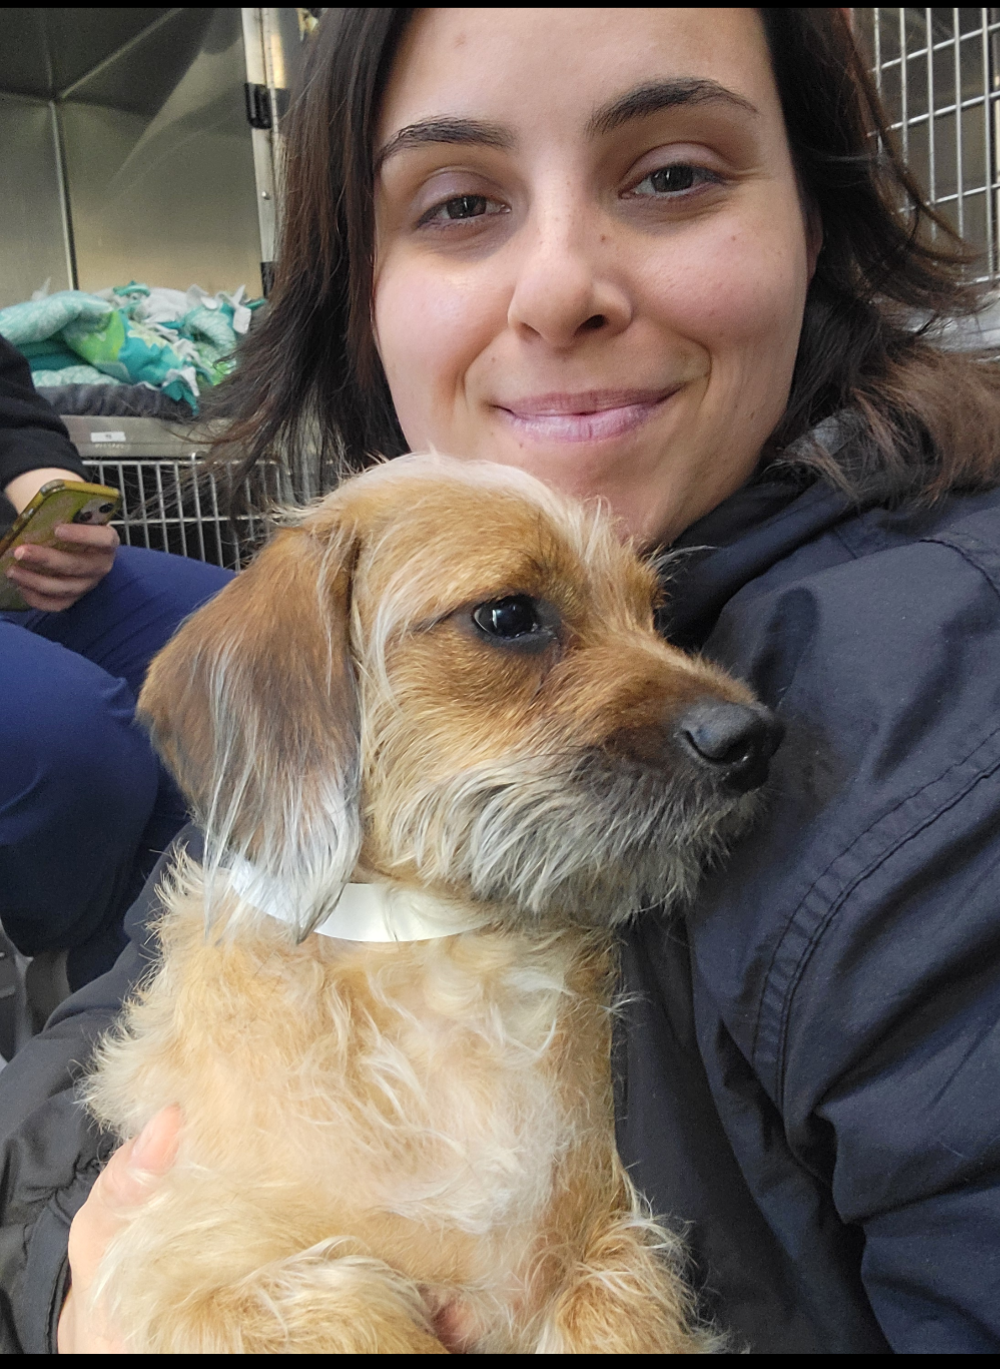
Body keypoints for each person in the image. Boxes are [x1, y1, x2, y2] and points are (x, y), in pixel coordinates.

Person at [2, 7, 999, 1352]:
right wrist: (91, 1278)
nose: (557, 287)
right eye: (462, 201)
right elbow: (96, 1048)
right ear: (363, 287)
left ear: (814, 225)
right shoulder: (348, 661)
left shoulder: (938, 722)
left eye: (672, 175)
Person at [0, 335, 232, 991]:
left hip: (13, 559)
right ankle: (72, 971)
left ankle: (137, 952)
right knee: (78, 736)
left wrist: (59, 503)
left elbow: (8, 405)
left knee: (245, 646)